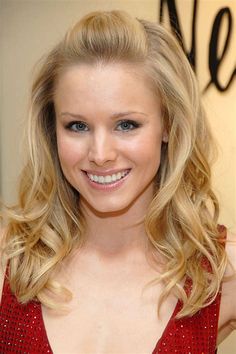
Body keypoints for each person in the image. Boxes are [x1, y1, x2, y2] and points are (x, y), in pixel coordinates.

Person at [0, 10, 235, 354]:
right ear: (53, 131)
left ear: (168, 125)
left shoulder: (221, 274)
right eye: (77, 126)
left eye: (126, 124)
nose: (100, 153)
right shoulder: (9, 259)